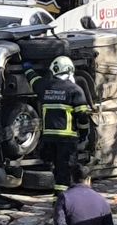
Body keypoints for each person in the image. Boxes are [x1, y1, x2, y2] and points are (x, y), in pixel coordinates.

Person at [23, 56, 90, 195]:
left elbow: (33, 80)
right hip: (67, 140)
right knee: (65, 171)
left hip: (48, 139)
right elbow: (83, 117)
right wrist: (84, 134)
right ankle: (62, 200)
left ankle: (59, 198)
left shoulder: (45, 87)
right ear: (70, 70)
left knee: (56, 169)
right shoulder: (75, 90)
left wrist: (27, 67)